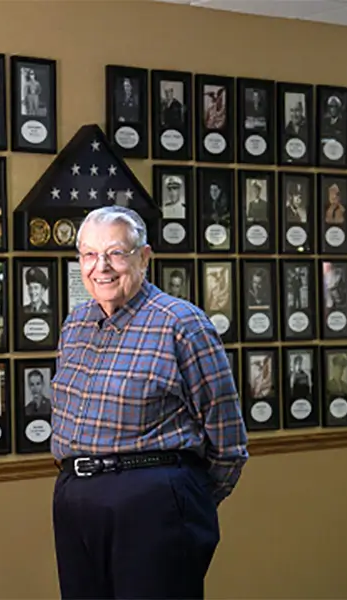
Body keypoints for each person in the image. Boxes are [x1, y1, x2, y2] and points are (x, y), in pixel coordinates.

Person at [50, 205, 248, 600]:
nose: (101, 267)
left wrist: (182, 499)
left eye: (116, 253)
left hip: (152, 505)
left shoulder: (181, 324)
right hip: (76, 500)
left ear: (144, 256)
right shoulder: (75, 326)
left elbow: (227, 439)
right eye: (89, 254)